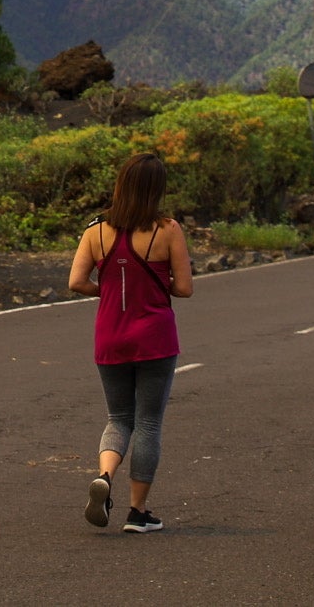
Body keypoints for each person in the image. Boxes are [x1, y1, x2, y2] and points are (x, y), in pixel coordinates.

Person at [67, 152, 193, 534]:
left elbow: (76, 281)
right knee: (149, 422)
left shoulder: (95, 231)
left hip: (111, 336)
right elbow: (184, 288)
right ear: (156, 190)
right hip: (154, 337)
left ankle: (105, 476)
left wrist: (106, 290)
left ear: (120, 184)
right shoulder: (167, 229)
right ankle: (138, 512)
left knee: (118, 417)